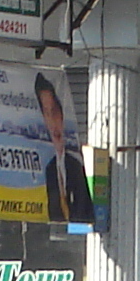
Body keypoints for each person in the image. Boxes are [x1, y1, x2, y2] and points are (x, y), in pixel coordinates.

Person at [35, 72, 91, 224]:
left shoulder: (75, 165)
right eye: (46, 114)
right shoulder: (49, 169)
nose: (53, 122)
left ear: (62, 114)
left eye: (54, 112)